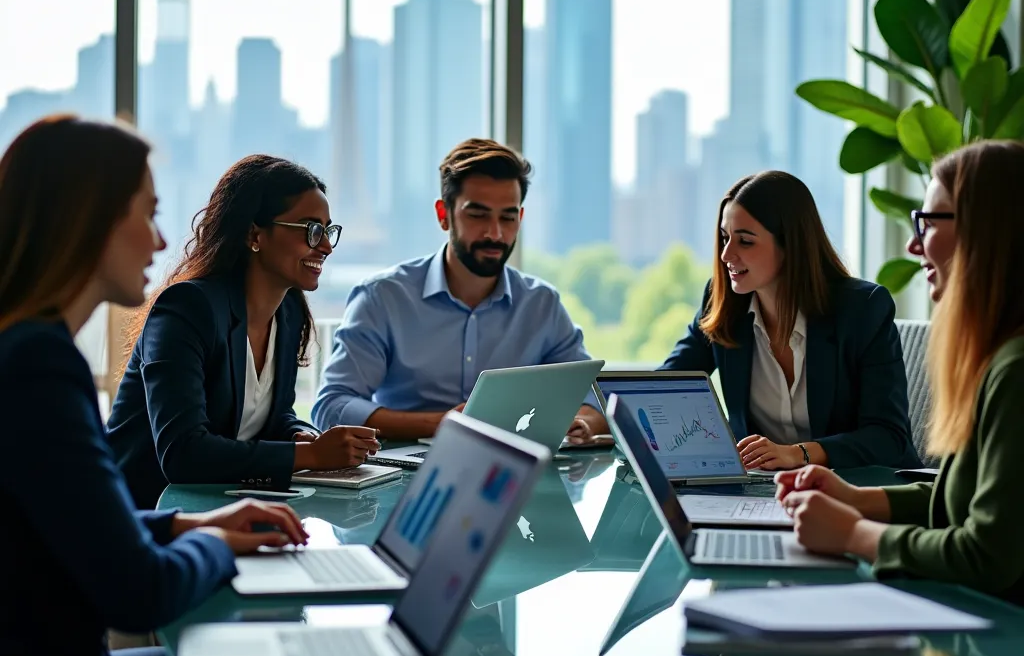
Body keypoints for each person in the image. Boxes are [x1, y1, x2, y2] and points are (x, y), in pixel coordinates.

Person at [0, 116, 309, 656]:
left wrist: (189, 523)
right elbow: (138, 594)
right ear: (90, 222)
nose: (163, 240)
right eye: (148, 214)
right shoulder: (39, 368)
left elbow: (65, 521)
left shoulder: (25, 347)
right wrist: (220, 547)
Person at [776, 141, 1024, 603]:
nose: (914, 244)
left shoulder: (1016, 371)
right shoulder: (999, 358)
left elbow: (987, 554)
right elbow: (960, 503)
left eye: (928, 222)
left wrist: (854, 535)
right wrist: (855, 499)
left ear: (986, 233)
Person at [108, 155, 379, 508]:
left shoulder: (290, 311)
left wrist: (305, 437)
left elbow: (272, 414)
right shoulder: (187, 308)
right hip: (146, 514)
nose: (325, 246)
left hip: (227, 503)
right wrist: (311, 456)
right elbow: (182, 453)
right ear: (255, 234)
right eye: (311, 230)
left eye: (328, 231)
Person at [312, 138, 607, 441]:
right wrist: (444, 423)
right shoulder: (383, 298)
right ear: (444, 215)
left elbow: (595, 401)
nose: (495, 233)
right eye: (477, 215)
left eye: (507, 217)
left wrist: (583, 423)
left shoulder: (541, 305)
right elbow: (332, 406)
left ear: (519, 219)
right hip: (403, 479)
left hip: (515, 473)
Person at [660, 170, 918, 471]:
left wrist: (798, 454)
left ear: (790, 245)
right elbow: (664, 386)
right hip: (764, 493)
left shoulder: (863, 310)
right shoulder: (722, 303)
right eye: (725, 238)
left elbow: (888, 438)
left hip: (854, 489)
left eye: (745, 241)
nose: (726, 255)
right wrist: (597, 417)